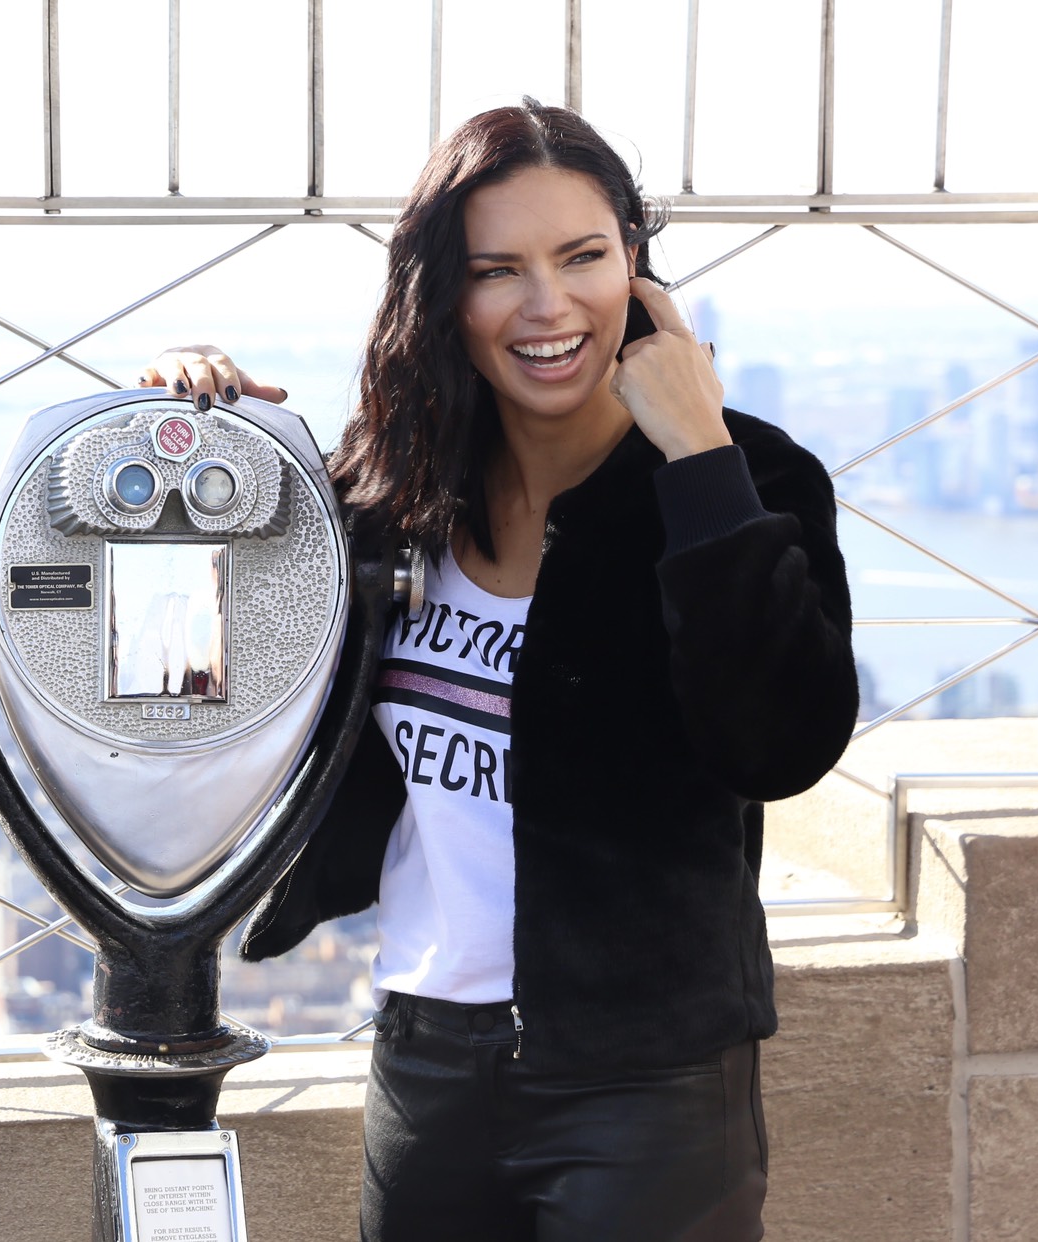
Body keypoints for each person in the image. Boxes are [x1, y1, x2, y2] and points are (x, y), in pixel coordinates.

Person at [140, 99, 857, 1242]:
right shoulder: (392, 493)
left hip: (646, 1076)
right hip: (424, 1053)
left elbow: (777, 746)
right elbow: (214, 673)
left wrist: (699, 456)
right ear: (444, 299)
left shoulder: (749, 478)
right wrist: (192, 432)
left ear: (636, 264)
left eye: (583, 256)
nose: (547, 305)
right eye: (496, 270)